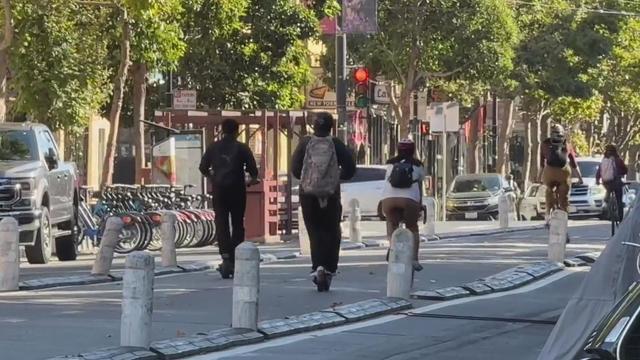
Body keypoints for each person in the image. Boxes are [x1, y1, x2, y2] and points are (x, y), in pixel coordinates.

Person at [291, 112, 356, 292]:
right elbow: (350, 168)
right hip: (330, 194)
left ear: (314, 126)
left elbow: (295, 169)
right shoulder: (335, 144)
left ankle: (317, 266)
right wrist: (334, 178)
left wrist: (309, 180)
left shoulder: (304, 143)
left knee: (314, 231)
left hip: (308, 194)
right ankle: (329, 267)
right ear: (331, 126)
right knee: (332, 230)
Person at [199, 119, 259, 279]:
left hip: (219, 190)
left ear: (222, 130)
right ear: (237, 131)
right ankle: (235, 255)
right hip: (237, 190)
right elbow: (253, 171)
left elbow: (202, 167)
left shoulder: (213, 147)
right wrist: (251, 180)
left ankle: (225, 255)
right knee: (238, 223)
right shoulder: (242, 148)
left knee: (221, 222)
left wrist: (213, 177)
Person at [381, 139, 425, 272]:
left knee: (391, 223)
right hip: (409, 200)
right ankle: (415, 259)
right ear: (413, 150)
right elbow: (419, 184)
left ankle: (392, 246)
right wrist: (420, 204)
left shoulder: (390, 164)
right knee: (412, 227)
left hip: (389, 200)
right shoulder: (418, 165)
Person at [538, 124, 584, 219]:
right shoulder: (567, 144)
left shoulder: (544, 144)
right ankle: (564, 210)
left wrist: (538, 178)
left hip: (549, 171)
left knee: (549, 188)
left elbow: (542, 164)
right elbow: (574, 164)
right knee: (564, 194)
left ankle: (547, 212)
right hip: (563, 172)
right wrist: (580, 178)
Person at [596, 144, 627, 221]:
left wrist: (597, 180)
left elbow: (599, 172)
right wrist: (621, 174)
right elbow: (625, 170)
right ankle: (620, 218)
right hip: (616, 182)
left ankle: (607, 197)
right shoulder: (618, 160)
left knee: (608, 188)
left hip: (606, 183)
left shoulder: (604, 161)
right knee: (619, 200)